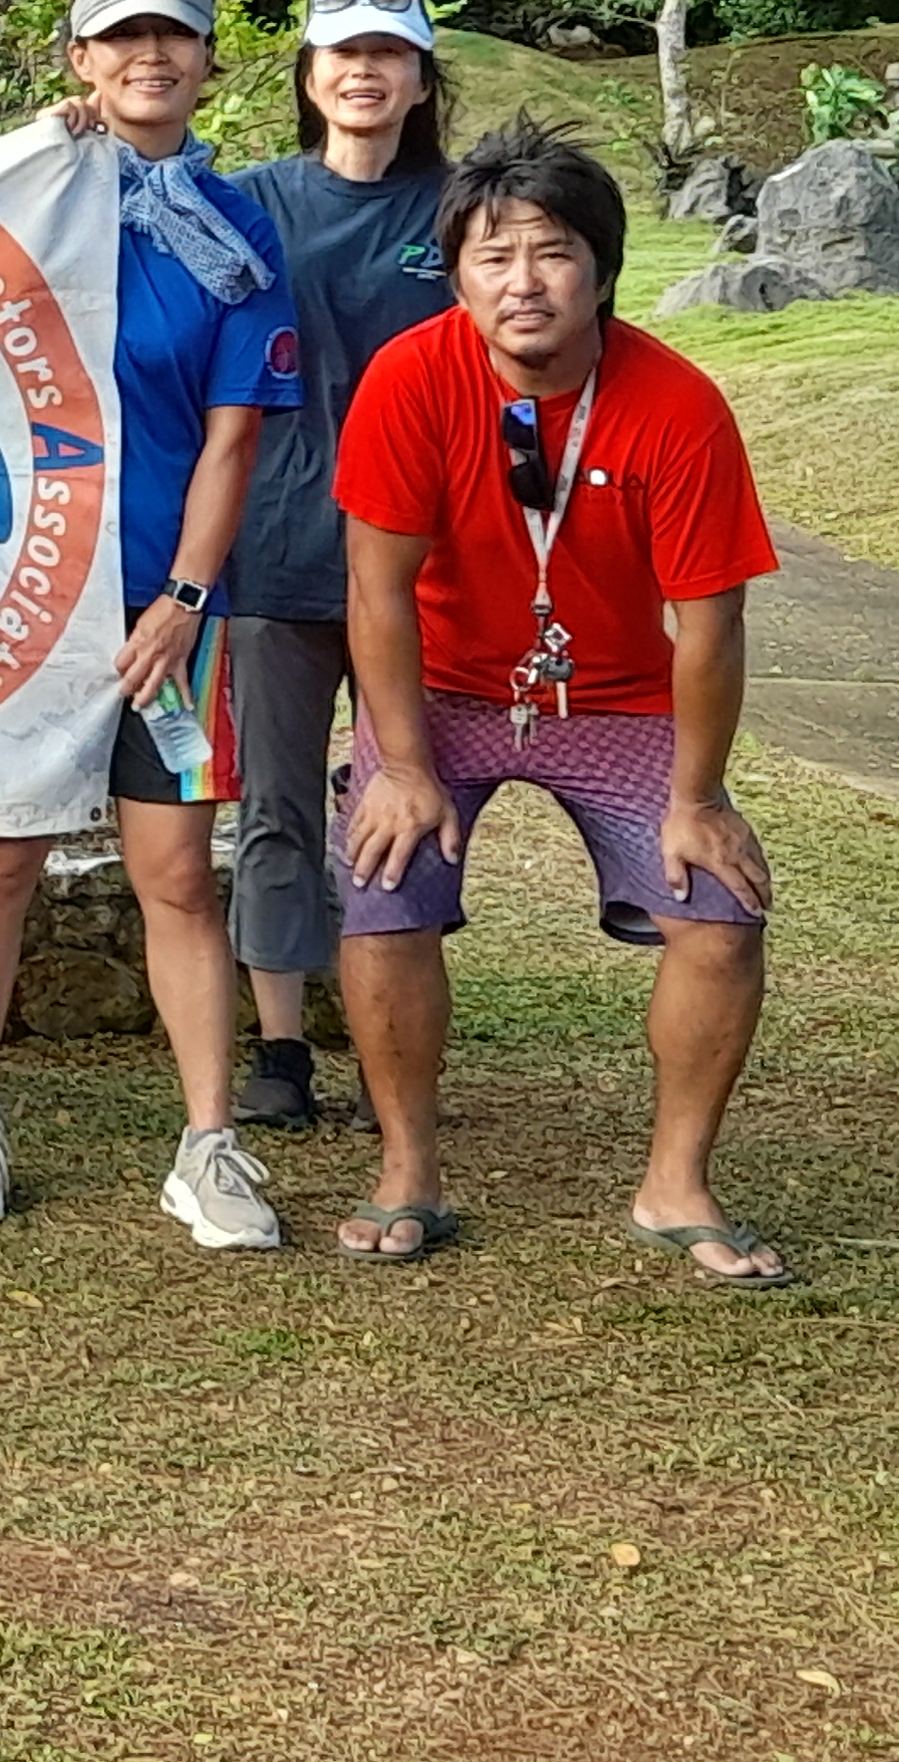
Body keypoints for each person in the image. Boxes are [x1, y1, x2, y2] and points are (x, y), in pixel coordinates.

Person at [332, 119, 785, 1278]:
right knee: (383, 880)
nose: (521, 283)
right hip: (441, 686)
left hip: (620, 698)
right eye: (492, 257)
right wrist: (405, 765)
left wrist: (697, 795)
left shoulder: (676, 404)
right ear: (456, 276)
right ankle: (406, 1169)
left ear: (601, 268)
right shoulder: (410, 377)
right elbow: (375, 593)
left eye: (550, 252)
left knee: (719, 915)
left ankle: (675, 1181)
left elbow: (711, 622)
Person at [0, 0, 298, 1250]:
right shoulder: (23, 192)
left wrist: (184, 600)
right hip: (17, 602)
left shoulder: (236, 234)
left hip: (164, 615)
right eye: (121, 35)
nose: (149, 56)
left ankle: (209, 1141)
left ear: (206, 59)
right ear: (79, 58)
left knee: (179, 872)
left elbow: (234, 434)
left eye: (173, 33)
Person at [224, 0, 454, 1132]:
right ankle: (278, 1050)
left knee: (405, 798)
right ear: (309, 78)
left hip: (426, 571)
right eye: (340, 55)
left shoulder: (466, 214)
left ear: (420, 80)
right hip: (273, 550)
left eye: (387, 55)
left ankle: (388, 1044)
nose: (363, 74)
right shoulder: (247, 200)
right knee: (276, 804)